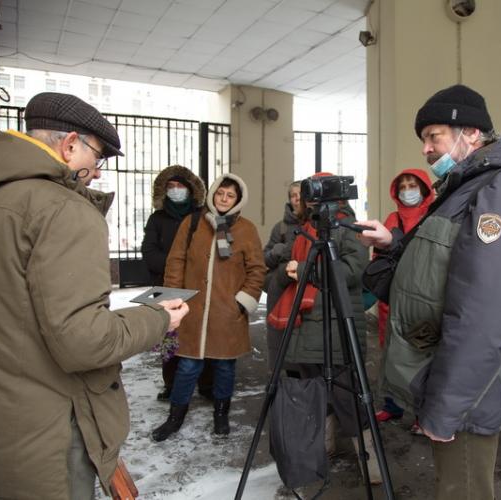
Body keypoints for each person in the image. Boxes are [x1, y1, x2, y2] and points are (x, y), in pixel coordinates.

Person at [0, 92, 188, 500]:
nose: (97, 170)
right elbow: (84, 342)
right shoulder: (62, 208)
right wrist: (159, 318)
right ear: (70, 144)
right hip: (41, 442)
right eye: (98, 155)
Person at [358, 84, 501, 500]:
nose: (426, 149)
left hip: (468, 392)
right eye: (423, 139)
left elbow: (491, 313)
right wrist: (394, 246)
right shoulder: (466, 186)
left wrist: (446, 408)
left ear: (472, 133)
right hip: (452, 378)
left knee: (462, 489)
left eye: (434, 136)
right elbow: (448, 263)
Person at [266, 172, 376, 482]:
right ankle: (321, 449)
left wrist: (302, 269)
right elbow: (275, 266)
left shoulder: (349, 228)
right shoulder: (304, 230)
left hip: (334, 327)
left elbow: (352, 271)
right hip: (305, 328)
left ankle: (370, 460)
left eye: (316, 191)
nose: (310, 198)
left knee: (347, 396)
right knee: (315, 392)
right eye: (306, 192)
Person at [152, 173, 266, 441]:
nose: (224, 199)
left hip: (227, 313)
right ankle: (174, 418)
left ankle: (221, 415)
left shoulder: (246, 230)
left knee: (225, 367)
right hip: (193, 309)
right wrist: (173, 297)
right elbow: (176, 260)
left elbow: (257, 270)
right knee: (188, 366)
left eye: (230, 196)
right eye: (220, 193)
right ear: (213, 194)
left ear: (238, 200)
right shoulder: (192, 223)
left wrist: (241, 302)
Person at [140, 165, 214, 402]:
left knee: (202, 334)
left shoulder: (203, 217)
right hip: (165, 285)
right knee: (169, 338)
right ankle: (171, 384)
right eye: (170, 186)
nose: (175, 190)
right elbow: (149, 253)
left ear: (191, 189)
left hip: (199, 286)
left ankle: (206, 383)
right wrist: (178, 265)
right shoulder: (157, 218)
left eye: (180, 186)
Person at [372, 169, 435, 436]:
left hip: (423, 298)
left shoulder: (434, 216)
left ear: (424, 189)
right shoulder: (392, 218)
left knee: (423, 359)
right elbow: (378, 256)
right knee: (391, 355)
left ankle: (424, 414)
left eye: (413, 185)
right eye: (403, 186)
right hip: (392, 298)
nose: (408, 190)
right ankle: (393, 405)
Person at [263, 180, 302, 374]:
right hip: (281, 291)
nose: (298, 198)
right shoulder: (281, 228)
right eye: (293, 195)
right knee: (281, 338)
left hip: (305, 291)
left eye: (301, 194)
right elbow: (265, 259)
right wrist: (278, 251)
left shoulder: (317, 224)